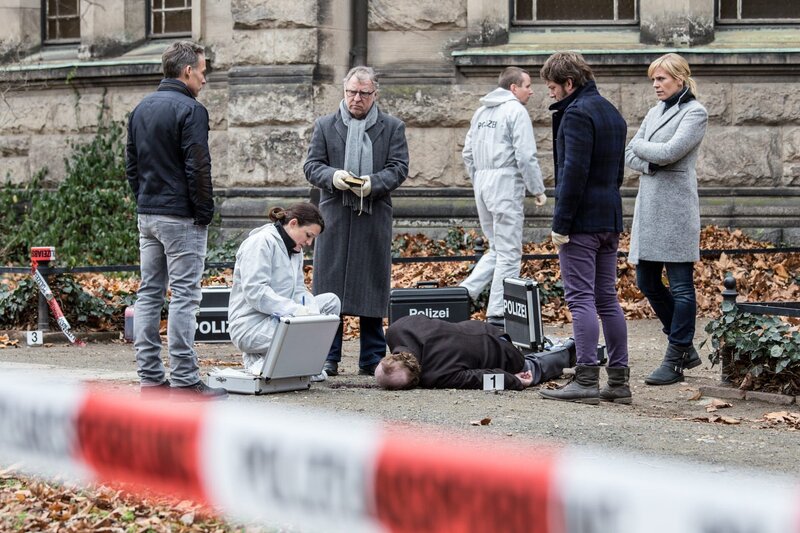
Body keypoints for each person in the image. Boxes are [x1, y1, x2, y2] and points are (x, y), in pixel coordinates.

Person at [126, 40, 226, 398]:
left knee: (149, 293)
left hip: (149, 214)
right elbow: (198, 166)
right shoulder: (192, 110)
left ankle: (151, 378)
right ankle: (185, 379)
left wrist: (144, 200)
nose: (204, 78)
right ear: (187, 71)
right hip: (181, 216)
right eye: (202, 71)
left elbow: (132, 166)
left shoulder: (140, 109)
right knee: (185, 295)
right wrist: (204, 212)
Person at [537, 52, 631, 405]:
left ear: (569, 83)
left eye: (552, 87)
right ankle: (619, 382)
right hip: (609, 216)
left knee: (580, 299)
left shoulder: (576, 114)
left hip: (581, 222)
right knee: (607, 298)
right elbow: (618, 173)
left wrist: (561, 224)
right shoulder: (611, 112)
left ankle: (587, 378)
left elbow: (572, 174)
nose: (550, 93)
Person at [303, 66, 409, 377]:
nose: (356, 98)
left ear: (375, 94)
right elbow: (312, 166)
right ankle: (328, 356)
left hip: (373, 215)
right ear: (344, 91)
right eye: (351, 92)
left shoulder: (392, 127)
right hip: (334, 216)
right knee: (329, 288)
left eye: (363, 93)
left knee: (372, 287)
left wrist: (373, 183)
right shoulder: (325, 125)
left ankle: (372, 358)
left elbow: (399, 168)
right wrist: (333, 176)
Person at [625, 53, 708, 386]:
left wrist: (643, 149)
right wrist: (650, 160)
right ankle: (684, 346)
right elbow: (631, 153)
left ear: (680, 79)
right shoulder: (654, 111)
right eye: (653, 80)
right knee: (646, 281)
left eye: (661, 79)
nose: (656, 85)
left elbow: (671, 151)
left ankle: (674, 359)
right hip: (649, 207)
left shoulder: (695, 113)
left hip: (675, 209)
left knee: (681, 286)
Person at [460, 67, 547, 327]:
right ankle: (498, 312)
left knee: (497, 248)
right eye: (527, 85)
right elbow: (526, 155)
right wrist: (537, 189)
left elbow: (467, 153)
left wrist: (479, 180)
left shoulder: (482, 112)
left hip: (483, 183)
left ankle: (463, 293)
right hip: (505, 183)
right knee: (509, 252)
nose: (531, 91)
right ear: (513, 88)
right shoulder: (515, 111)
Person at [227, 203, 341, 375]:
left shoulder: (296, 250)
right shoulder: (260, 242)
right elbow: (256, 292)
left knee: (331, 302)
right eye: (308, 235)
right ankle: (260, 360)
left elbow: (299, 290)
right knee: (303, 325)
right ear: (293, 223)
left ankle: (295, 362)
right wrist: (296, 312)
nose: (309, 243)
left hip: (283, 319)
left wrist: (310, 312)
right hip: (251, 327)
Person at [377, 315, 574, 390]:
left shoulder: (435, 375)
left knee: (531, 369)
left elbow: (481, 378)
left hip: (503, 354)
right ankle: (556, 347)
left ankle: (570, 352)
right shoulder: (397, 329)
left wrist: (514, 381)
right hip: (483, 328)